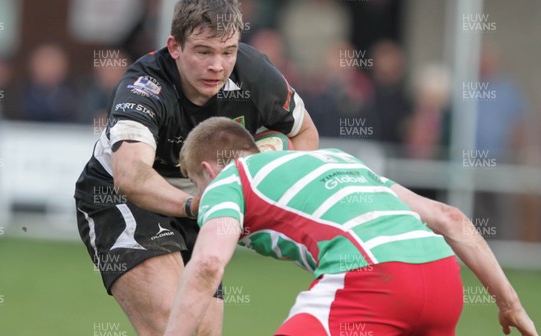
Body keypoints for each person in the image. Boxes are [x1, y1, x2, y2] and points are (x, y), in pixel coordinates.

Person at [74, 0, 319, 335]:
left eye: (228, 52)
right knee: (172, 325)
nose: (217, 65)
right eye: (203, 51)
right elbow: (130, 174)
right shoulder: (145, 86)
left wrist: (269, 170)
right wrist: (195, 204)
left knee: (203, 331)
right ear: (175, 47)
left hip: (201, 202)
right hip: (125, 200)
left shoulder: (256, 75)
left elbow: (305, 133)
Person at [165, 117, 538, 336]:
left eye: (197, 186)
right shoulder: (336, 158)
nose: (200, 199)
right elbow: (450, 218)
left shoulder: (228, 180)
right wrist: (509, 303)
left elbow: (209, 265)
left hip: (374, 278)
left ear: (207, 170)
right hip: (443, 281)